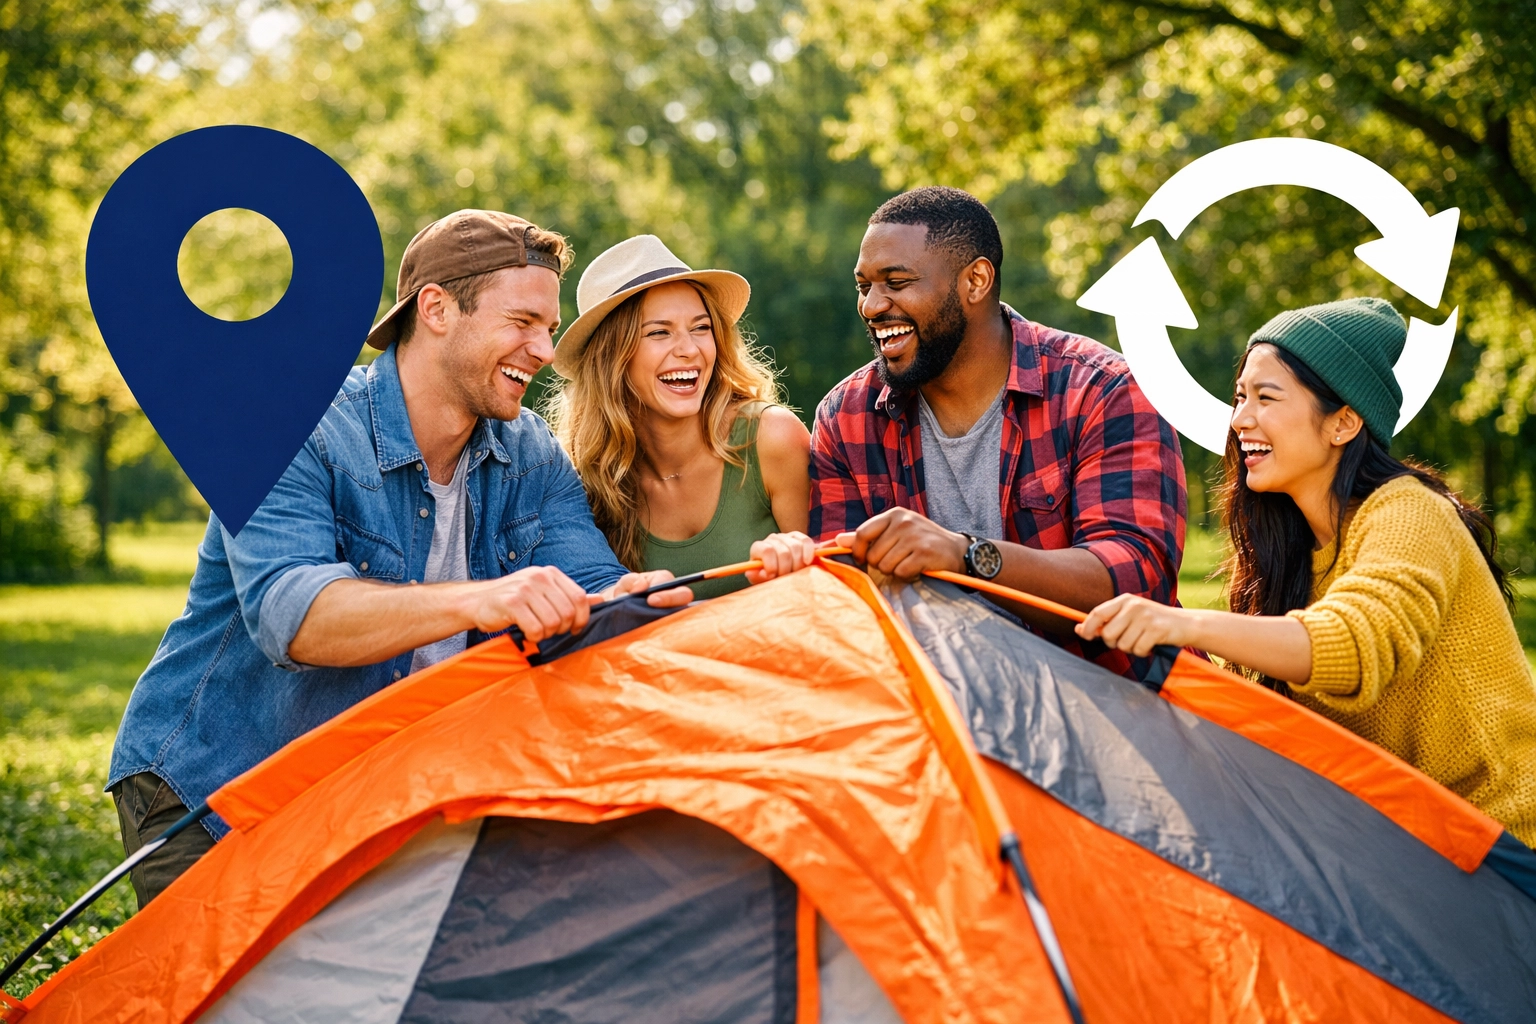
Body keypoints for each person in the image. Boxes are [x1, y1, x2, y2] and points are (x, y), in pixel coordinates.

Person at [107, 210, 689, 906]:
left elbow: (592, 587)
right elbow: (293, 615)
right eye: (522, 322)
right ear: (437, 308)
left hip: (376, 796)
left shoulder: (528, 450)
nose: (545, 350)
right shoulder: (291, 422)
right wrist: (482, 598)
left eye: (550, 327)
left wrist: (638, 596)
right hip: (217, 786)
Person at [1077, 297, 1536, 846]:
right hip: (1401, 855)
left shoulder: (1409, 514)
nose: (1240, 418)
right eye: (1240, 396)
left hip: (1501, 852)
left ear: (1343, 422)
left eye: (1267, 398)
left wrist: (1184, 625)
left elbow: (1354, 643)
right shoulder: (1291, 553)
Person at [808, 186, 1187, 678]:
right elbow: (841, 601)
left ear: (976, 280)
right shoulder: (846, 417)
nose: (872, 306)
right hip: (945, 719)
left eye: (896, 282)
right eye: (864, 287)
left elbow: (1132, 582)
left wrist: (965, 556)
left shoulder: (1103, 390)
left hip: (1124, 706)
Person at [546, 235, 815, 598]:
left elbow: (830, 588)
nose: (689, 350)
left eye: (701, 328)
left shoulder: (770, 438)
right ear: (610, 359)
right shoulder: (592, 482)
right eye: (659, 332)